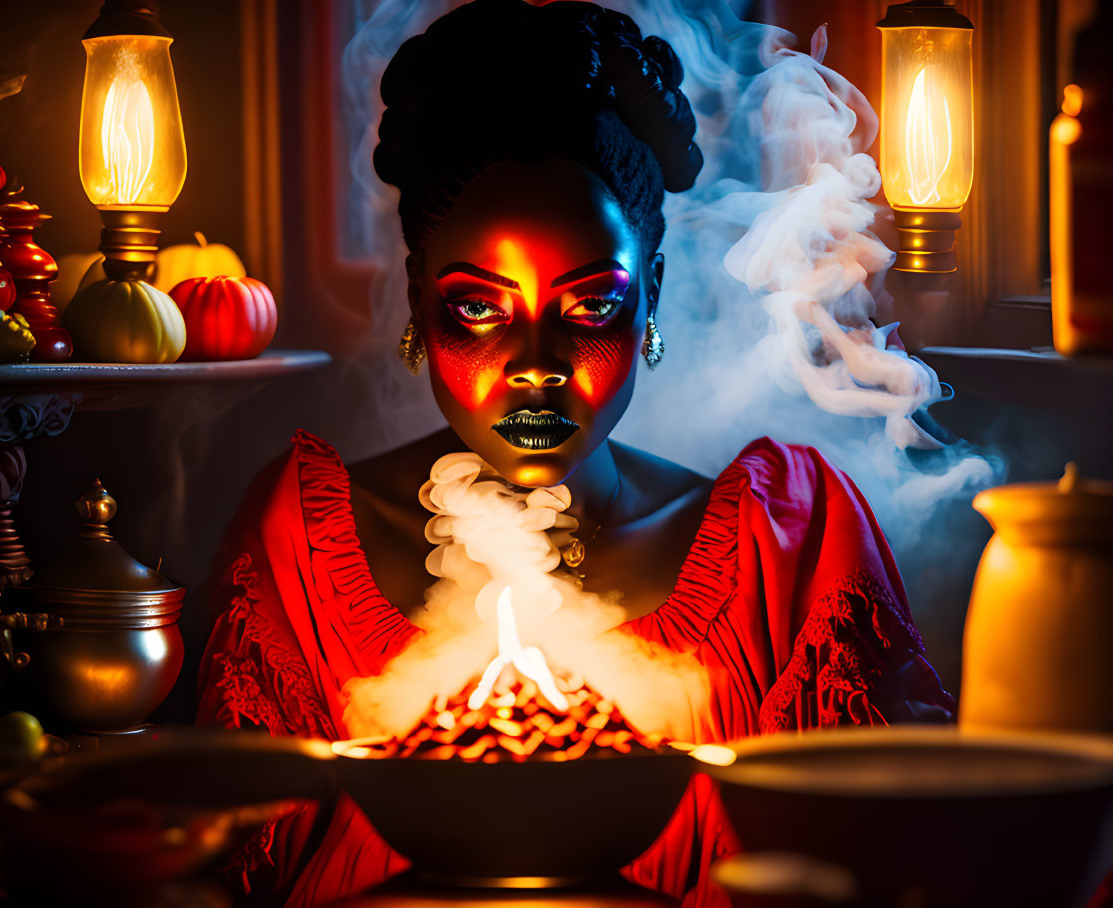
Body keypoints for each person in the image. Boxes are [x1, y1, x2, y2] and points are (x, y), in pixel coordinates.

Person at [197, 1, 954, 905]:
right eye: (477, 307)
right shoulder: (303, 546)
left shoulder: (785, 544)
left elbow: (889, 868)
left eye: (590, 306)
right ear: (415, 298)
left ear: (652, 303)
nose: (534, 367)